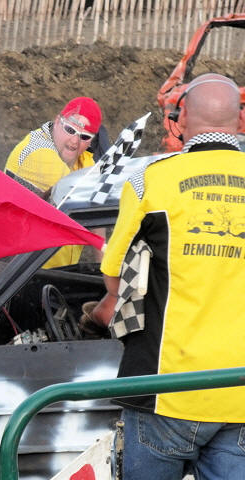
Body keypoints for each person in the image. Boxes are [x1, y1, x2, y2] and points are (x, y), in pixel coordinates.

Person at [90, 73, 245, 479]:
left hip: (167, 391)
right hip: (239, 394)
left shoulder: (150, 179)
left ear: (181, 117)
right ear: (240, 120)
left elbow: (113, 279)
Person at [5, 96, 105, 268]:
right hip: (14, 273)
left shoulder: (84, 160)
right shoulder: (38, 152)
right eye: (70, 130)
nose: (74, 141)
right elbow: (87, 199)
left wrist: (103, 267)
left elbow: (97, 212)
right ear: (57, 121)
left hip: (53, 272)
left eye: (84, 136)